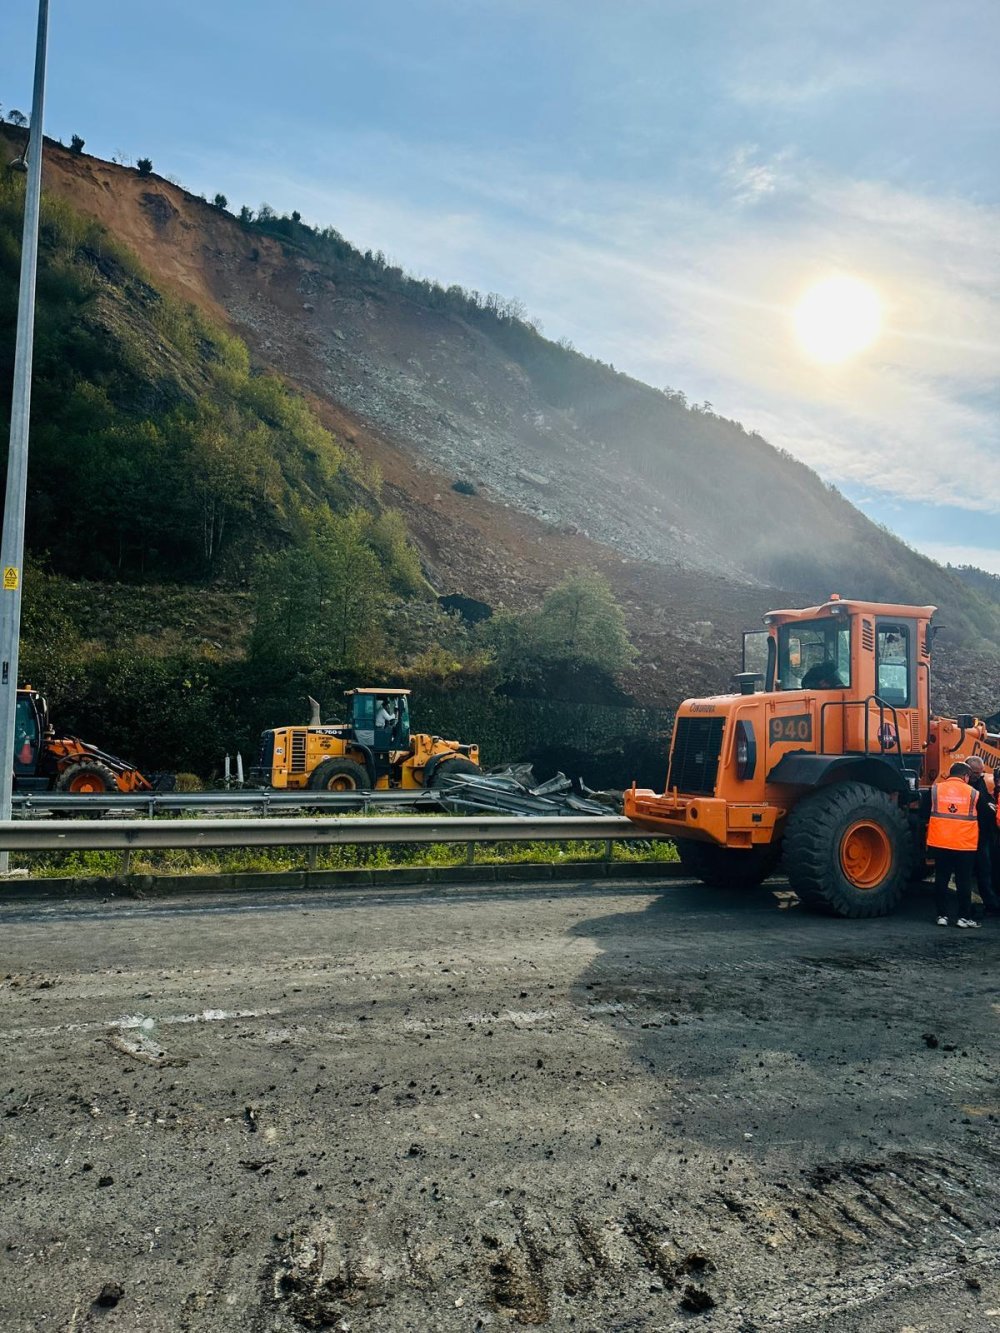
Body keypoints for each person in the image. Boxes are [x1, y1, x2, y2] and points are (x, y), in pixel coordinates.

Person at [927, 761, 980, 928]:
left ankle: (942, 915)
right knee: (963, 881)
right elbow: (985, 815)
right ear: (965, 776)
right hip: (964, 845)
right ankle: (963, 917)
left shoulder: (935, 789)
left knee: (941, 879)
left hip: (941, 842)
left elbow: (924, 812)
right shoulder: (973, 793)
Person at [966, 756, 1000, 914]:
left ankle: (990, 903)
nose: (979, 776)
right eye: (977, 773)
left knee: (984, 870)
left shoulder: (980, 784)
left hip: (981, 836)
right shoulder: (972, 788)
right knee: (977, 871)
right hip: (970, 837)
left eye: (981, 773)